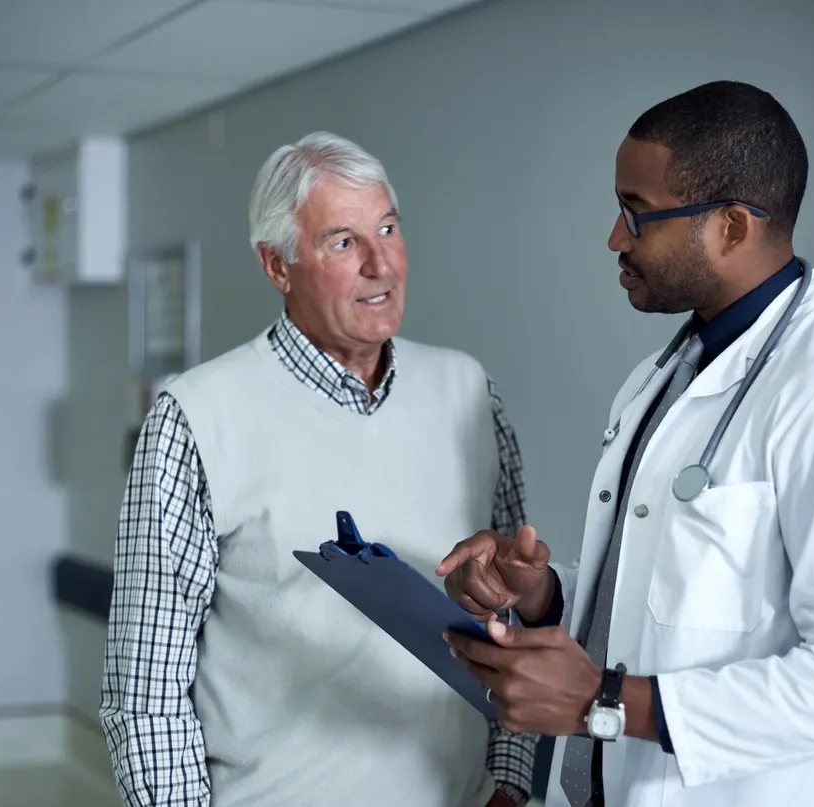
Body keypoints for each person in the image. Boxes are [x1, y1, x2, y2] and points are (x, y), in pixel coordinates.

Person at [440, 81, 814, 807]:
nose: (614, 238)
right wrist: (545, 594)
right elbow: (675, 606)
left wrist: (606, 699)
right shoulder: (661, 377)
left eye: (636, 213)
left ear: (733, 227)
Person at [101, 131, 536, 807]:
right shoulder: (198, 416)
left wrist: (508, 778)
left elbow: (513, 610)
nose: (381, 263)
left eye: (387, 227)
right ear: (278, 266)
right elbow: (146, 692)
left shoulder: (469, 392)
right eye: (342, 241)